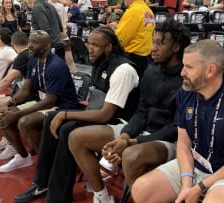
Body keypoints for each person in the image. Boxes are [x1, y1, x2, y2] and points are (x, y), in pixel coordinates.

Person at [67, 20, 191, 203]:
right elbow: (141, 112)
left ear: (176, 47)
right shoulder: (151, 72)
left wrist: (132, 142)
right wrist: (124, 137)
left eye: (160, 43)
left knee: (131, 155)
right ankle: (102, 197)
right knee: (76, 137)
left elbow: (176, 128)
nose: (153, 48)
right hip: (140, 133)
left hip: (171, 140)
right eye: (153, 42)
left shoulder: (187, 78)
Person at [13, 26, 140, 203]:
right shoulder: (100, 63)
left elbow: (105, 115)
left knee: (67, 128)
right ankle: (42, 182)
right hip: (101, 114)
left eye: (97, 45)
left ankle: (62, 197)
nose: (91, 48)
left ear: (109, 47)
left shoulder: (123, 70)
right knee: (52, 117)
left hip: (121, 122)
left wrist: (65, 115)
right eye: (90, 44)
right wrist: (62, 115)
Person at [131, 39, 224, 203]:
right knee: (141, 189)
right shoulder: (186, 91)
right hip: (197, 164)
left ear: (210, 70)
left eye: (189, 67)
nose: (182, 73)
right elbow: (183, 144)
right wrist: (187, 183)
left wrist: (200, 187)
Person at [0, 30, 79, 173]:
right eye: (29, 42)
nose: (30, 46)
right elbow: (26, 90)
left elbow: (50, 101)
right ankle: (23, 157)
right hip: (42, 101)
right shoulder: (33, 60)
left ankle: (48, 163)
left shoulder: (56, 66)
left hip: (62, 106)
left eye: (34, 43)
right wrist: (9, 104)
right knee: (3, 114)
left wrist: (18, 114)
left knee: (24, 122)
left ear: (46, 46)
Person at [0, 31, 32, 161]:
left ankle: (12, 144)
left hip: (29, 97)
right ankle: (7, 137)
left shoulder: (23, 56)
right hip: (24, 94)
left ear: (12, 44)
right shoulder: (26, 54)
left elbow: (7, 80)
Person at [109, 0, 155, 78]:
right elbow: (140, 29)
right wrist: (118, 26)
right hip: (144, 58)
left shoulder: (133, 11)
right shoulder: (148, 10)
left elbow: (120, 39)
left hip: (130, 59)